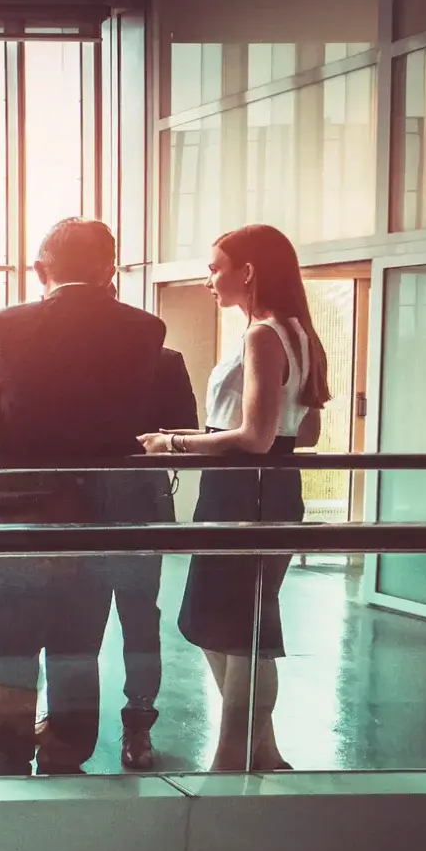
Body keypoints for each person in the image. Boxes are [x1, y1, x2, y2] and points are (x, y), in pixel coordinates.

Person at [0, 218, 170, 776]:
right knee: (79, 636)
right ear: (110, 268)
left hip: (15, 508)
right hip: (99, 508)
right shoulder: (145, 329)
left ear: (40, 268)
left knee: (11, 636)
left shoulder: (10, 324)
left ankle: (6, 746)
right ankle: (66, 746)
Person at [142, 223, 332, 773]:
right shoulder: (299, 333)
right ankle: (260, 748)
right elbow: (306, 434)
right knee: (236, 621)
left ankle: (231, 754)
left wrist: (173, 442)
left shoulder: (263, 335)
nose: (209, 280)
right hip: (272, 487)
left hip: (242, 490)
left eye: (215, 267)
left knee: (240, 627)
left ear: (246, 272)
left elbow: (255, 437)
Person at [93, 340, 203, 770]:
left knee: (132, 616)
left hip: (124, 501)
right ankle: (129, 724)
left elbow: (184, 433)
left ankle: (136, 722)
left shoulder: (162, 359)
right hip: (124, 499)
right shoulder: (162, 358)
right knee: (118, 617)